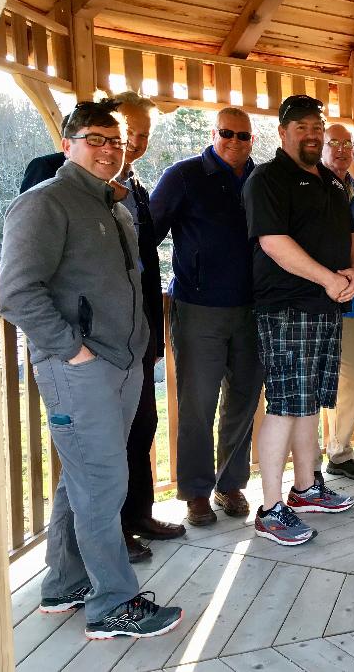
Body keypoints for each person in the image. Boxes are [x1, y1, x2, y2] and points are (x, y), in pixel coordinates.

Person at [0, 99, 183, 639]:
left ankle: (63, 584)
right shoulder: (45, 204)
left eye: (115, 141)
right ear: (68, 144)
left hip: (121, 365)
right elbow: (15, 293)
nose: (107, 150)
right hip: (79, 369)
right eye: (95, 139)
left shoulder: (115, 205)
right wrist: (71, 350)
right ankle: (112, 605)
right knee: (104, 483)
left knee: (81, 479)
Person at [243, 94, 354, 546]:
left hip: (326, 307)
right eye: (301, 127)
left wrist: (353, 273)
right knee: (285, 405)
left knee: (308, 400)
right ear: (283, 131)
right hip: (286, 308)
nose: (311, 134)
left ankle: (306, 489)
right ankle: (271, 509)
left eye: (317, 126)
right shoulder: (266, 179)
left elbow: (351, 234)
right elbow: (272, 242)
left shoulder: (331, 180)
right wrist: (329, 279)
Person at [150, 107, 264, 527]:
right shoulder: (183, 176)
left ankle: (229, 483)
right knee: (197, 403)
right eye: (228, 133)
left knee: (244, 399)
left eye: (244, 135)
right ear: (213, 133)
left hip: (253, 309)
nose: (236, 141)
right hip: (198, 308)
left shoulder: (262, 179)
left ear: (253, 139)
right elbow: (149, 235)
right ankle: (196, 491)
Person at [110, 91, 186, 560]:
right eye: (128, 133)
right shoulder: (55, 176)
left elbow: (146, 261)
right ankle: (109, 532)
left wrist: (155, 334)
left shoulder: (137, 187)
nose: (135, 143)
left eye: (143, 135)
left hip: (138, 332)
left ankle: (137, 514)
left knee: (142, 424)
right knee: (107, 437)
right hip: (94, 341)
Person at [317, 123, 354, 480]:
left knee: (351, 380)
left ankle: (337, 452)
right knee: (327, 380)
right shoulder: (310, 188)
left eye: (347, 144)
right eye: (333, 143)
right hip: (317, 301)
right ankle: (329, 454)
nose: (341, 149)